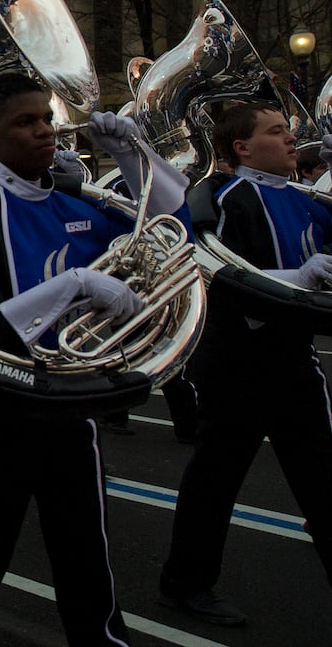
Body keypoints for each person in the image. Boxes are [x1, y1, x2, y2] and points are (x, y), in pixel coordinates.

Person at [0, 71, 189, 646]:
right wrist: (73, 285)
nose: (45, 130)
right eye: (26, 122)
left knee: (89, 569)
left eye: (47, 117)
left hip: (73, 410)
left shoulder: (81, 203)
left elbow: (179, 231)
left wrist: (135, 155)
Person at [159, 104, 332, 627]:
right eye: (276, 132)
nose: (289, 139)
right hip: (238, 365)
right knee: (215, 481)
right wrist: (298, 278)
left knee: (323, 482)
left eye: (288, 131)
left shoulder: (308, 201)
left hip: (294, 361)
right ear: (242, 147)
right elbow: (218, 279)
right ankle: (185, 584)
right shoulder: (225, 199)